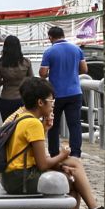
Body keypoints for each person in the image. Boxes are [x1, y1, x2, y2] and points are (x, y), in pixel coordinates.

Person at [1, 77, 104, 209]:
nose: (53, 104)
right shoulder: (33, 123)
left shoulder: (21, 116)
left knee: (73, 169)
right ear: (40, 102)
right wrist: (63, 155)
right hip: (21, 180)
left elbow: (31, 154)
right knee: (72, 182)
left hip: (12, 176)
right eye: (51, 100)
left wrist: (46, 129)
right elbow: (42, 164)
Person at [39, 26, 87, 158]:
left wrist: (53, 72)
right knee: (75, 124)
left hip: (56, 94)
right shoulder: (76, 49)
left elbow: (43, 73)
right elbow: (84, 69)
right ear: (63, 35)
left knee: (53, 124)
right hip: (75, 92)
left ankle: (54, 153)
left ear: (50, 37)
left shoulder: (49, 52)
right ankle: (76, 153)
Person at [0, 35, 33, 121]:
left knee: (7, 128)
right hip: (22, 99)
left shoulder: (0, 64)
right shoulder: (26, 62)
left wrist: (5, 81)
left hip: (6, 99)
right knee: (21, 126)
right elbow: (31, 80)